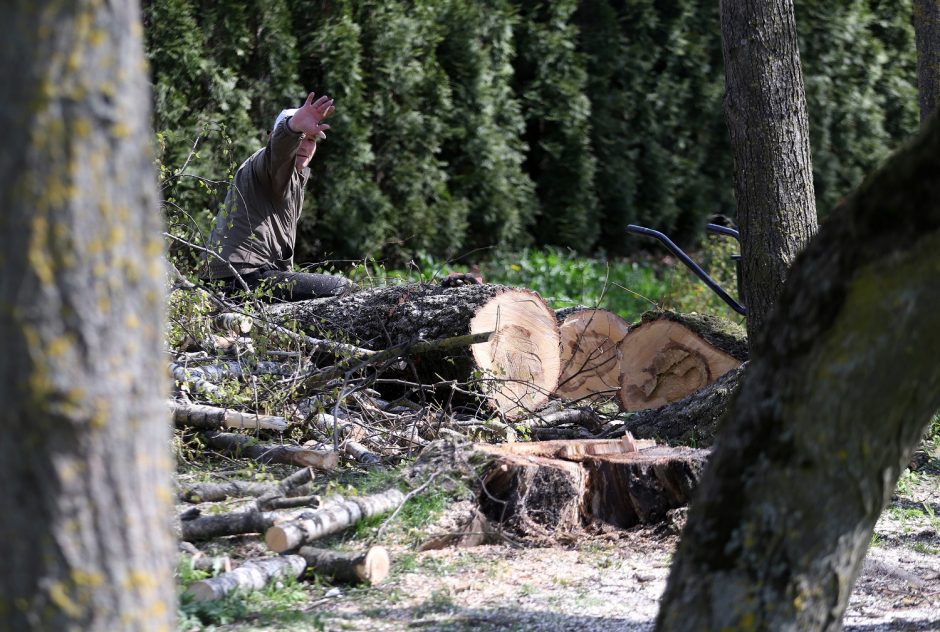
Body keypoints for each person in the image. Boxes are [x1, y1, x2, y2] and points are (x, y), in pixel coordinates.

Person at [202, 92, 354, 301]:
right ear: (272, 136)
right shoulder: (266, 163)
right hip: (237, 277)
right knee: (341, 288)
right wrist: (292, 128)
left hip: (243, 275)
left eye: (311, 140)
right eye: (300, 138)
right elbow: (280, 152)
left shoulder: (294, 177)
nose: (305, 146)